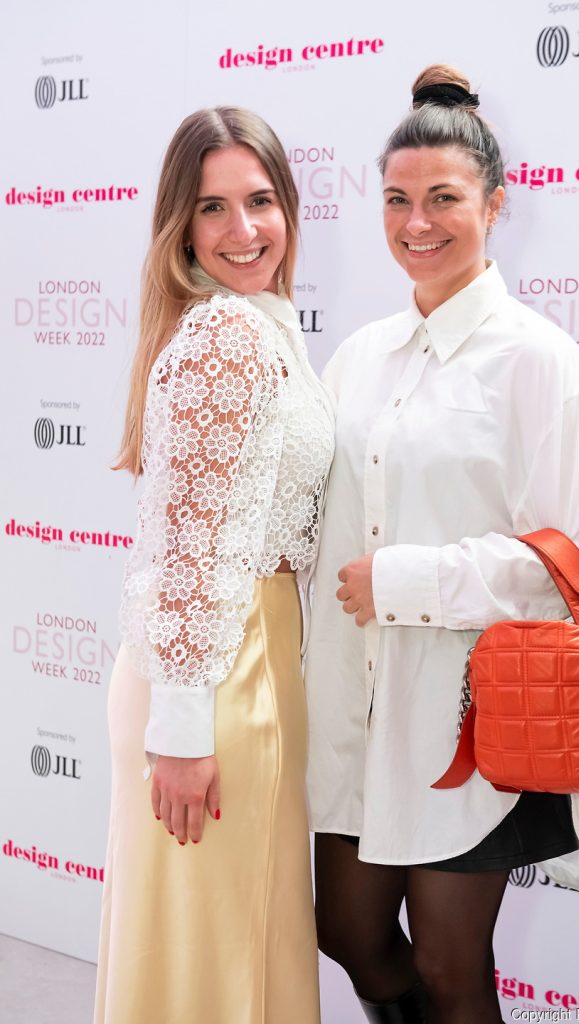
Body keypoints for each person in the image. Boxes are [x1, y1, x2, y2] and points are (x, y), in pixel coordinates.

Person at [304, 64, 579, 1024]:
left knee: (452, 967)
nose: (417, 223)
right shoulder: (358, 357)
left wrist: (407, 581)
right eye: (397, 200)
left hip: (472, 722)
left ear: (495, 203)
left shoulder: (538, 360)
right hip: (359, 716)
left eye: (443, 198)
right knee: (348, 933)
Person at [94, 107, 334, 1024]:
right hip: (218, 678)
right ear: (182, 227)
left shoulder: (259, 327)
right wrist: (185, 729)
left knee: (230, 944)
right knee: (214, 957)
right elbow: (188, 546)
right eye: (213, 208)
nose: (244, 230)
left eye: (261, 201)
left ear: (289, 208)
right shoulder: (228, 336)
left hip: (238, 663)